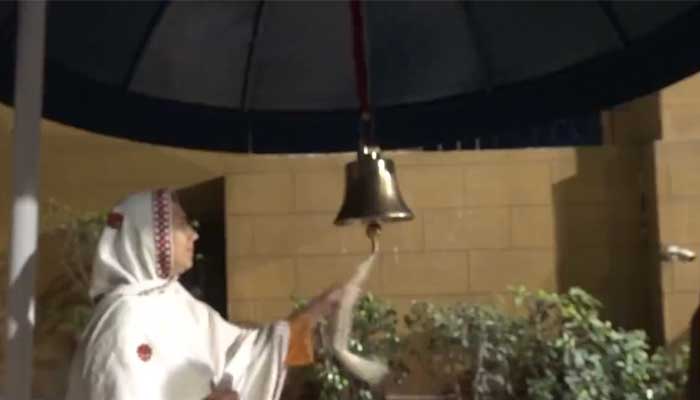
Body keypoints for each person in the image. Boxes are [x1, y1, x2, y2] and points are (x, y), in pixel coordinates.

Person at [65, 189, 342, 400]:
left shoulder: (179, 304)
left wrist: (317, 311)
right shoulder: (123, 321)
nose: (193, 235)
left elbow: (246, 355)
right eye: (182, 224)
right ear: (150, 238)